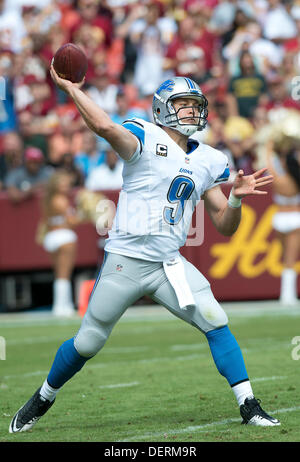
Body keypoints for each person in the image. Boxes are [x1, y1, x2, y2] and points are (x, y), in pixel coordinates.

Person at [9, 72, 279, 434]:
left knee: (215, 321)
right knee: (88, 342)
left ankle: (249, 405)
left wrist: (235, 199)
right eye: (183, 105)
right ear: (162, 109)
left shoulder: (211, 159)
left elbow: (225, 225)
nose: (191, 112)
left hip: (168, 263)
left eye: (195, 105)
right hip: (125, 260)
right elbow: (104, 126)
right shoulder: (143, 135)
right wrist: (73, 89)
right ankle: (44, 396)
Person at [39, 170, 82, 317]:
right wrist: (83, 213)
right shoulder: (61, 200)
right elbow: (72, 222)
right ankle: (62, 307)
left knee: (59, 274)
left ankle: (62, 305)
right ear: (56, 185)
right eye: (63, 184)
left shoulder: (48, 200)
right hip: (64, 238)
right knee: (64, 274)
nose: (67, 187)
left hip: (51, 238)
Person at [266, 136, 300, 305]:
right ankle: (288, 296)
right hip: (295, 219)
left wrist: (269, 147)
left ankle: (286, 295)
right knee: (290, 260)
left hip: (279, 219)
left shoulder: (278, 180)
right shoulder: (296, 181)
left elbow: (268, 165)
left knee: (285, 257)